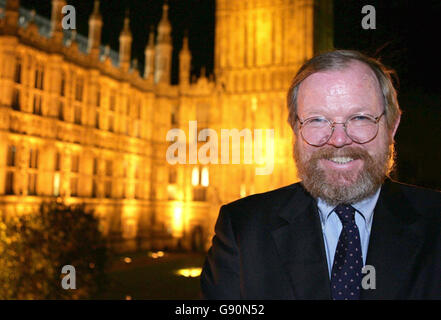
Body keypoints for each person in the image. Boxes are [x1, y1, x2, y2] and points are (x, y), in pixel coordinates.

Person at [200, 50, 441, 300]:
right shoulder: (242, 230)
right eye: (317, 120)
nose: (338, 140)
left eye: (360, 117)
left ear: (392, 126)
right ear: (295, 128)